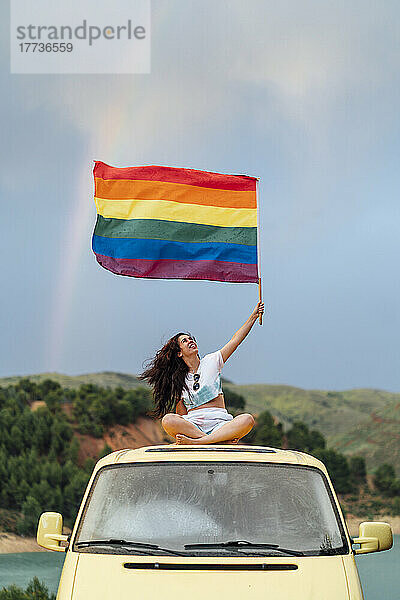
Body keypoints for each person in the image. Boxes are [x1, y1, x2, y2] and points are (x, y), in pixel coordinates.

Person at [140, 302, 264, 445]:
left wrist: (253, 316)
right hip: (194, 426)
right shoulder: (179, 380)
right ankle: (216, 441)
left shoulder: (212, 361)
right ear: (179, 353)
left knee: (247, 419)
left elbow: (235, 340)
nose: (190, 341)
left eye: (190, 338)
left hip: (220, 425)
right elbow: (181, 415)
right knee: (168, 420)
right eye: (184, 341)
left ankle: (200, 442)